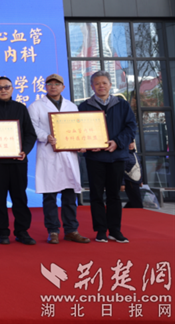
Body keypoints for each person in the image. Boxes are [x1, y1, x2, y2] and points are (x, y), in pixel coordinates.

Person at [28, 74, 90, 244]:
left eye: (57, 84)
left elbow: (77, 128)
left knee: (70, 196)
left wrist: (81, 143)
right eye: (50, 84)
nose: (53, 86)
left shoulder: (71, 106)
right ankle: (53, 231)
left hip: (69, 154)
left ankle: (71, 230)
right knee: (50, 197)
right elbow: (33, 127)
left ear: (63, 87)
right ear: (45, 87)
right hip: (49, 153)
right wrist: (46, 136)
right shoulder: (36, 106)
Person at [78, 70, 137, 243]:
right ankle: (101, 230)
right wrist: (88, 144)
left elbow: (131, 127)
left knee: (114, 195)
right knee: (96, 195)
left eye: (104, 83)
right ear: (92, 86)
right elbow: (78, 130)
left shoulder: (122, 104)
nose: (101, 86)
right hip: (94, 158)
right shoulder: (84, 107)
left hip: (116, 156)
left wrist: (117, 142)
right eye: (97, 83)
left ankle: (115, 230)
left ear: (110, 85)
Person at [0, 76, 37, 245]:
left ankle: (22, 231)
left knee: (20, 198)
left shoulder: (21, 108)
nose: (3, 90)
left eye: (6, 87)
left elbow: (30, 134)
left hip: (18, 161)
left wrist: (24, 151)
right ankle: (3, 232)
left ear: (12, 89)